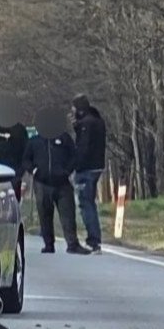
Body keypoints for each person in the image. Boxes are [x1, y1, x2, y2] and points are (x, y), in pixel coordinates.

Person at [22, 106, 90, 255]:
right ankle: (48, 244)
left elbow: (74, 156)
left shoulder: (64, 138)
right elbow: (26, 159)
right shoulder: (34, 141)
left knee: (68, 215)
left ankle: (72, 244)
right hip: (42, 183)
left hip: (62, 183)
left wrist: (67, 171)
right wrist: (34, 170)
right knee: (44, 215)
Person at [71, 94, 108, 254]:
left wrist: (74, 166)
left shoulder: (86, 124)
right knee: (90, 202)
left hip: (86, 168)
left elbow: (83, 148)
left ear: (79, 109)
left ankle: (93, 241)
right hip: (97, 166)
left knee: (86, 204)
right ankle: (95, 239)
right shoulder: (98, 121)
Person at [0, 97, 29, 201]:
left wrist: (19, 174)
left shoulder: (20, 130)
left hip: (14, 175)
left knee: (13, 207)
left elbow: (26, 153)